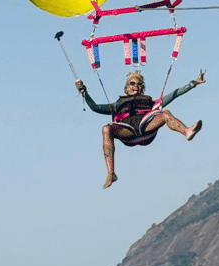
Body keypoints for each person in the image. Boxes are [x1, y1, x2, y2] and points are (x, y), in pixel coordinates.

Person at [75, 69, 205, 188]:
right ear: (126, 88)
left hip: (146, 129)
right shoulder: (116, 105)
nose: (136, 86)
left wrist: (193, 83)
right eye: (132, 83)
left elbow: (173, 95)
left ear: (142, 88)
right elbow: (95, 107)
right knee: (106, 129)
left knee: (165, 113)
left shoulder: (150, 103)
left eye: (139, 84)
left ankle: (187, 131)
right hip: (128, 132)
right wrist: (84, 92)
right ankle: (111, 173)